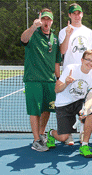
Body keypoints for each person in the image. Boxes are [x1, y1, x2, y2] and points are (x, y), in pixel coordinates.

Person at [21, 9, 62, 152]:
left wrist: (58, 79)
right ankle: (36, 140)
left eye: (48, 19)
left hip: (49, 80)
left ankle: (41, 133)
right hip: (33, 80)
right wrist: (33, 27)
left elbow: (57, 60)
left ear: (51, 21)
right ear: (40, 21)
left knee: (47, 110)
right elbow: (23, 39)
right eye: (43, 19)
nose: (46, 22)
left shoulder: (55, 38)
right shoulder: (33, 34)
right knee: (35, 111)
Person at [46, 50, 92, 158]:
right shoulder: (71, 68)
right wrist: (66, 83)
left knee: (90, 113)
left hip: (79, 102)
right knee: (63, 138)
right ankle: (51, 133)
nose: (90, 63)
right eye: (88, 59)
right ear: (82, 60)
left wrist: (85, 109)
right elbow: (56, 89)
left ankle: (84, 145)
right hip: (63, 103)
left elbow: (90, 96)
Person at [59, 3, 92, 145]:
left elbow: (91, 54)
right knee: (68, 103)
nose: (76, 15)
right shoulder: (64, 31)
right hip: (69, 74)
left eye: (78, 13)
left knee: (84, 105)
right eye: (73, 13)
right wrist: (68, 35)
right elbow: (62, 51)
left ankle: (82, 133)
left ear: (82, 14)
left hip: (85, 74)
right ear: (69, 15)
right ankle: (68, 134)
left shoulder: (88, 32)